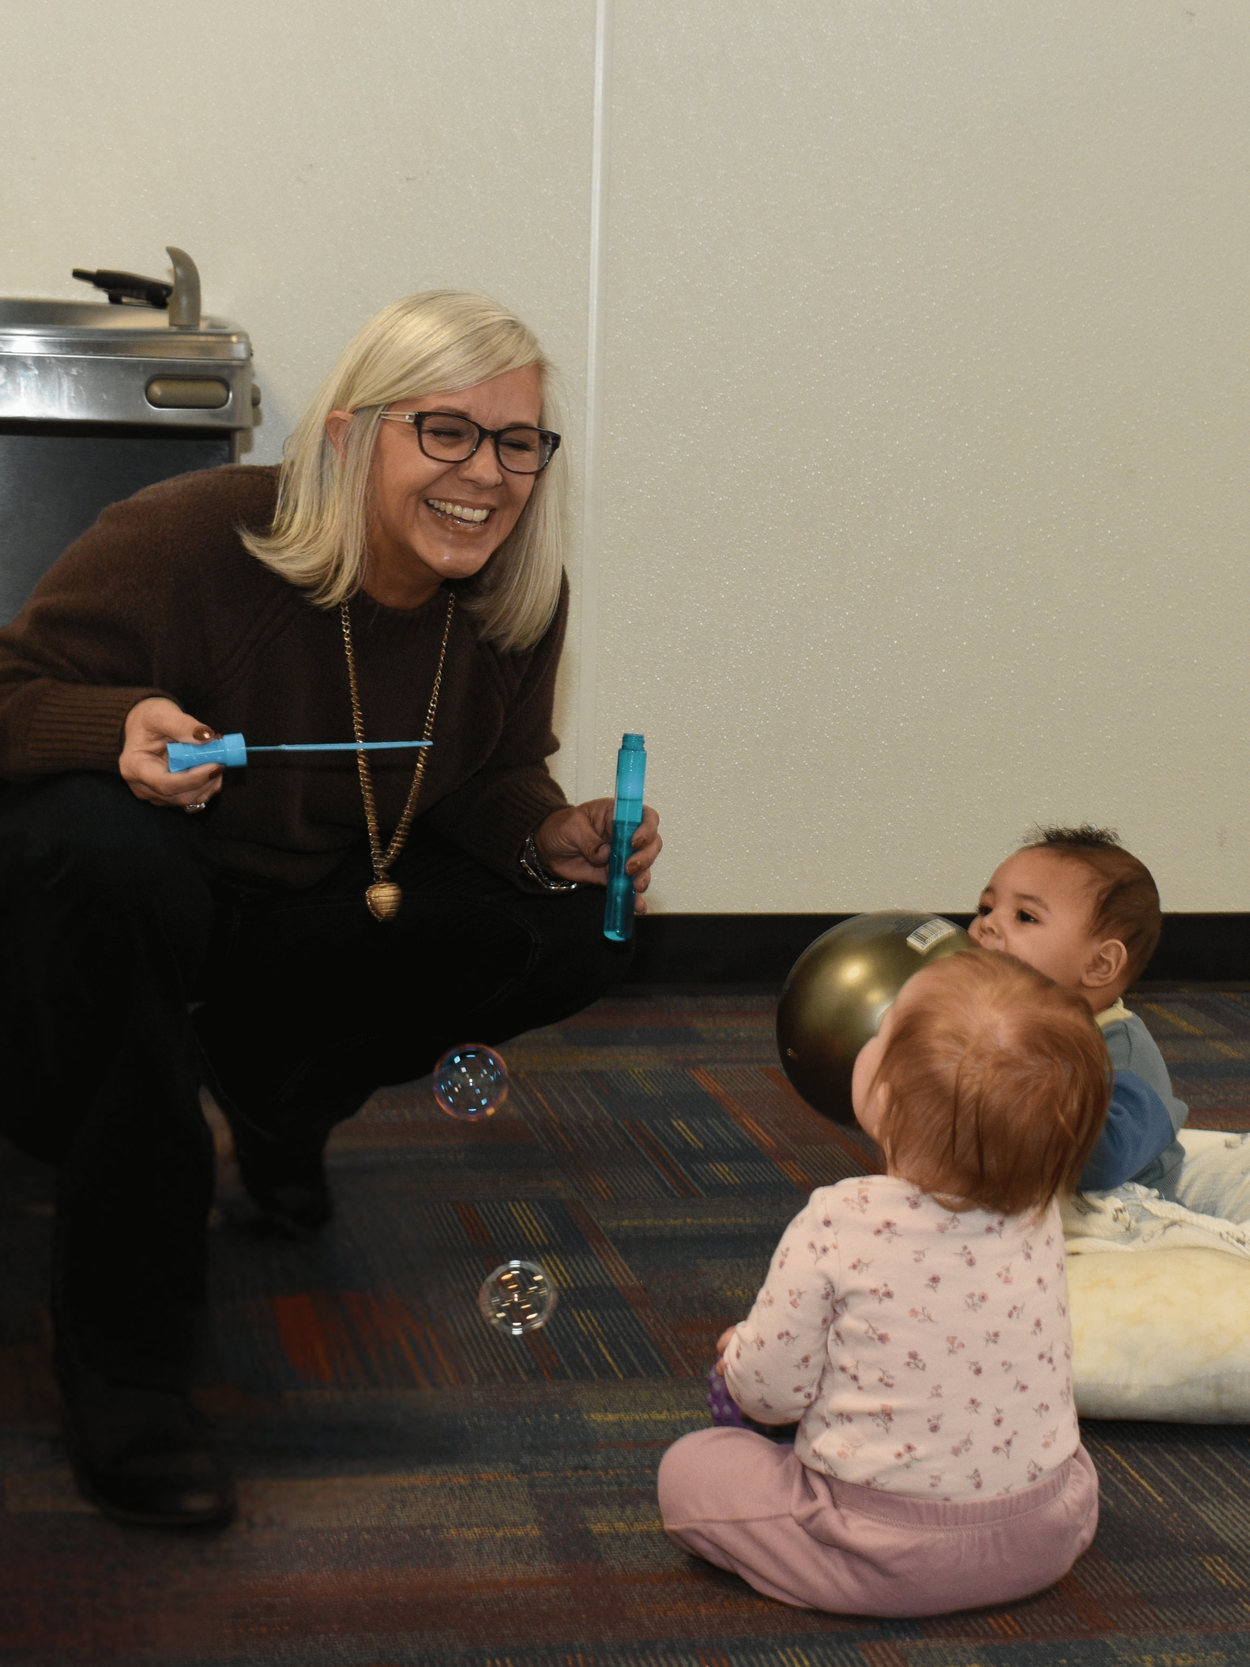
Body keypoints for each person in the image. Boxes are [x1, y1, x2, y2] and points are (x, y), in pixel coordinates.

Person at [0, 291, 660, 1529]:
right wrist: (116, 728)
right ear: (354, 435)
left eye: (517, 441)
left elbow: (484, 773)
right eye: (448, 432)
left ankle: (274, 1091)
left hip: (318, 903)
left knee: (580, 919)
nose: (488, 474)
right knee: (94, 845)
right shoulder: (191, 537)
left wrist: (547, 830)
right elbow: (8, 692)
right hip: (150, 899)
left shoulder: (515, 592)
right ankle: (130, 1377)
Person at [658, 951, 1106, 1616]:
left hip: (879, 1550)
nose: (869, 1036)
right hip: (1048, 1531)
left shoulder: (839, 1218)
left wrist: (742, 1355)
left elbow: (771, 1393)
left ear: (885, 1098)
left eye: (883, 1028)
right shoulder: (1040, 1214)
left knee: (689, 1469)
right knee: (1069, 1462)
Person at [971, 826, 1250, 1221]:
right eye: (985, 908)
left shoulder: (1121, 1050)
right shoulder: (980, 1023)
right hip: (1021, 1204)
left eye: (1025, 917)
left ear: (1099, 965)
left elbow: (1106, 1158)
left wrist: (996, 1094)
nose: (987, 925)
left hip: (1118, 1214)